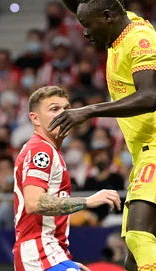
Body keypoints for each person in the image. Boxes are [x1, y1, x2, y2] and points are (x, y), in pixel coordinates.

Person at [47, 0, 156, 271]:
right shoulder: (118, 24)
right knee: (132, 261)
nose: (85, 34)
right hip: (147, 155)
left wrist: (90, 110)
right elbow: (90, 6)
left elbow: (148, 97)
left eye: (88, 27)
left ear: (107, 19)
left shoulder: (141, 44)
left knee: (139, 238)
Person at [14, 86, 121, 271]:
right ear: (35, 118)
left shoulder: (49, 151)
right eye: (54, 109)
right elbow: (34, 203)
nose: (64, 114)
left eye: (66, 109)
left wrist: (64, 260)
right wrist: (88, 201)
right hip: (39, 253)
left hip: (47, 254)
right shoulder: (41, 150)